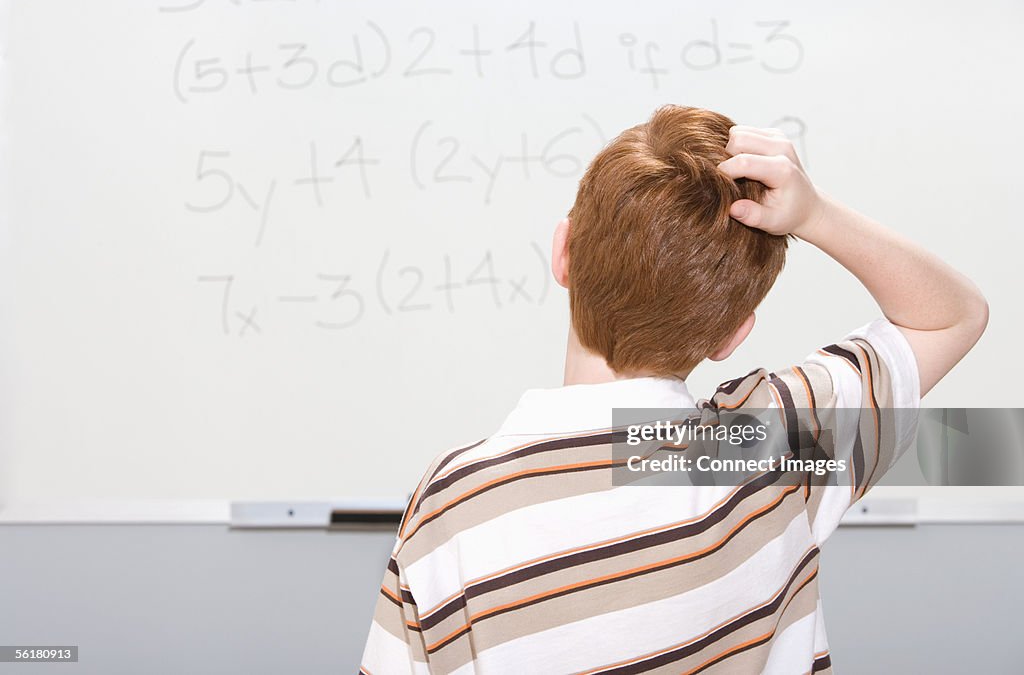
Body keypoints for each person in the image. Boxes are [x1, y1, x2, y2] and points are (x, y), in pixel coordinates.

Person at [359, 105, 988, 674]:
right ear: (734, 334)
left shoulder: (453, 504)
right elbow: (951, 315)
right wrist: (815, 214)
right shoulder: (765, 447)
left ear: (563, 254)